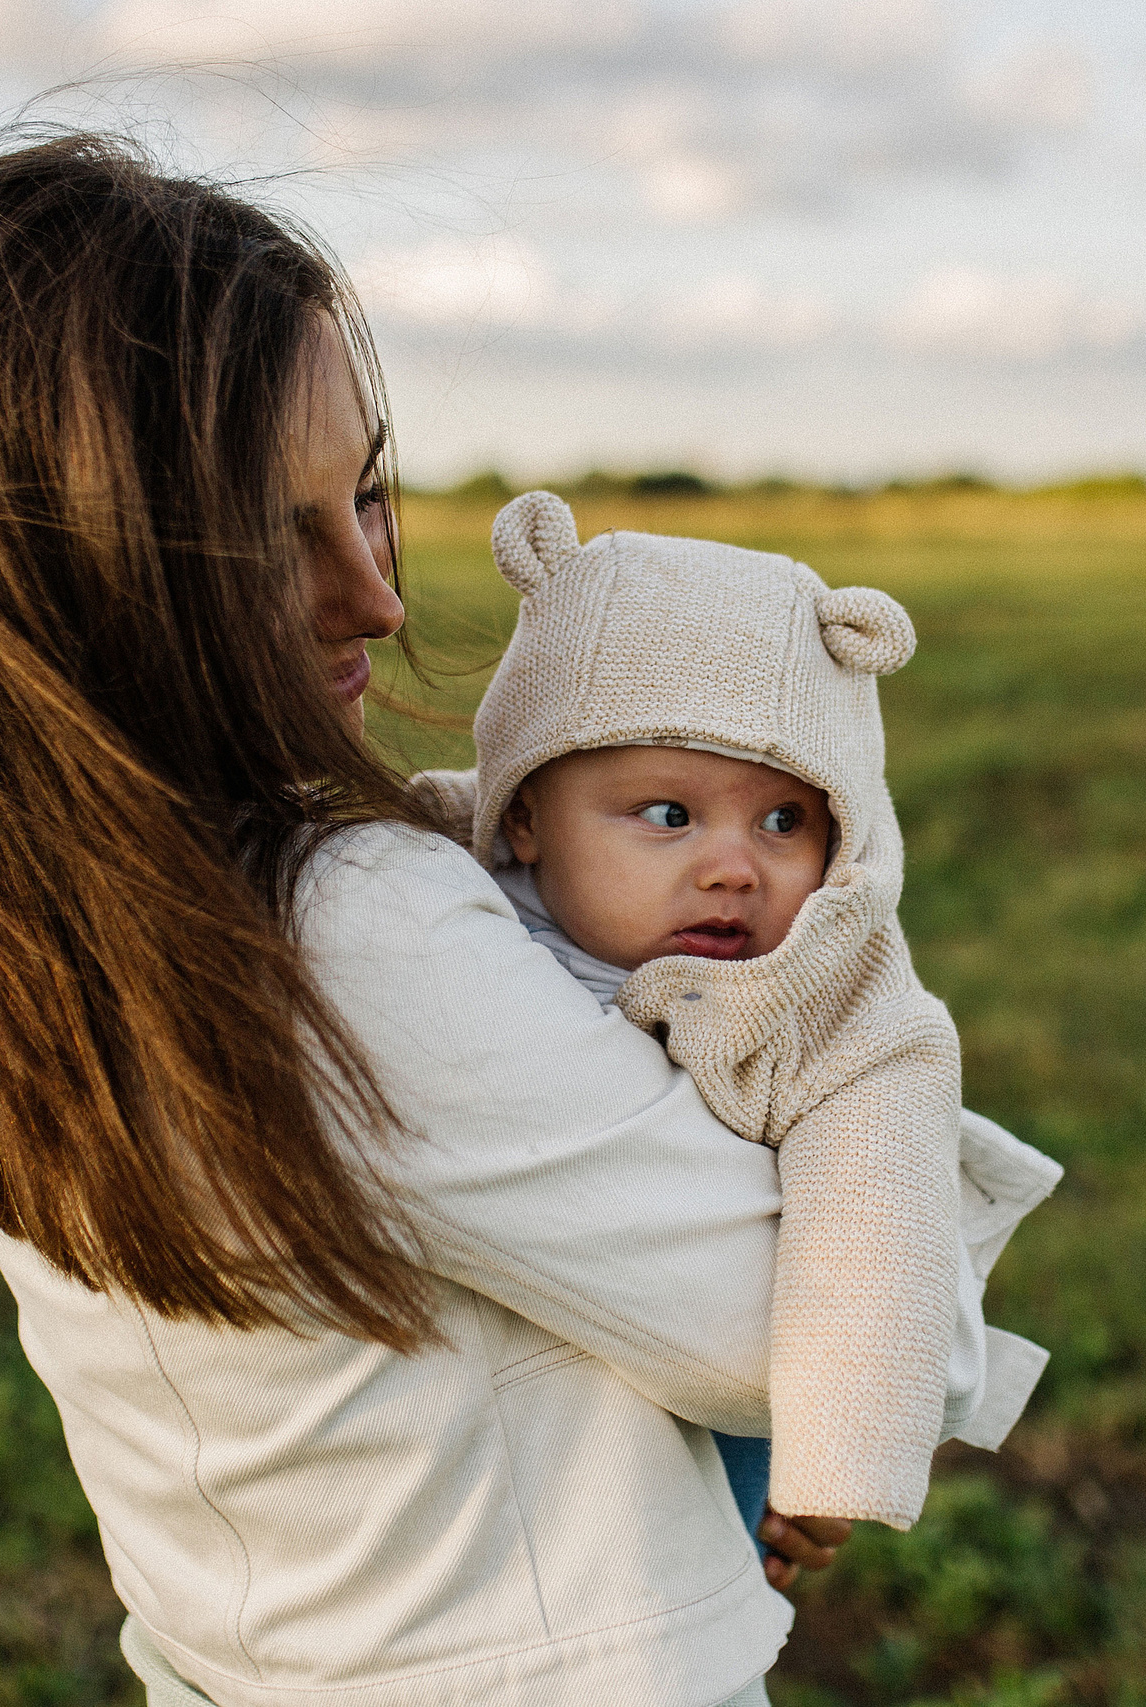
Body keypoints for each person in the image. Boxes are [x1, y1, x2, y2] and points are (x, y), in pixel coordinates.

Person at [0, 133, 934, 1707]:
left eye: (366, 496)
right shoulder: (345, 922)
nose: (374, 596)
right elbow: (788, 1330)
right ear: (69, 569)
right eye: (264, 538)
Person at [408, 493, 1060, 1545]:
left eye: (783, 820)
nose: (733, 867)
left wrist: (834, 1463)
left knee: (697, 1531)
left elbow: (873, 1228)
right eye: (667, 815)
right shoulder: (435, 890)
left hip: (731, 1395)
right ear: (521, 813)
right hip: (494, 1387)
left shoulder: (835, 1004)